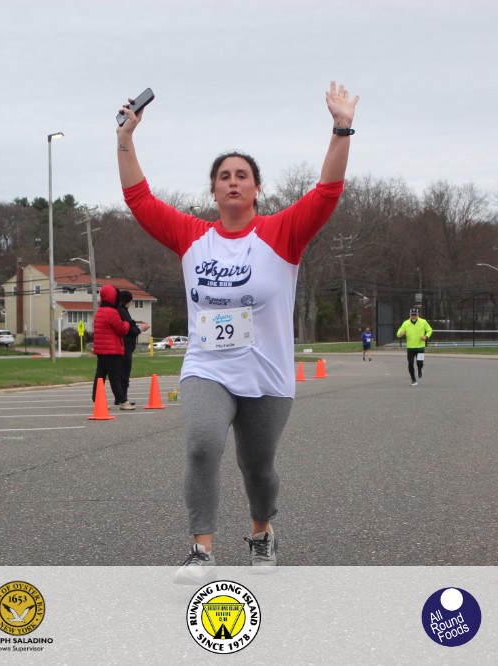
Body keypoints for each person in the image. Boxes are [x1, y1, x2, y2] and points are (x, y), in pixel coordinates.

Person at [117, 80, 358, 582]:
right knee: (202, 445)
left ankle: (262, 531)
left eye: (242, 176)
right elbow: (139, 200)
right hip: (208, 367)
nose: (232, 183)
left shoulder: (282, 233)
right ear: (212, 191)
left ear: (256, 189)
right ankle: (202, 550)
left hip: (267, 375)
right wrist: (125, 139)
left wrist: (341, 129)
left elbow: (327, 191)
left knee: (258, 466)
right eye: (223, 176)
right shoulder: (191, 237)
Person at [92, 284, 147, 410]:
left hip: (100, 349)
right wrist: (128, 323)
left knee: (100, 376)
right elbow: (121, 330)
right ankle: (122, 400)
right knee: (115, 377)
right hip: (112, 349)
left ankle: (97, 400)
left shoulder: (99, 311)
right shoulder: (112, 312)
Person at [116, 289, 145, 406]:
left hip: (122, 345)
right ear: (127, 301)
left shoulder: (119, 310)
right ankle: (122, 398)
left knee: (120, 373)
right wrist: (141, 329)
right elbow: (129, 330)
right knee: (124, 372)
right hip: (125, 345)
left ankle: (120, 397)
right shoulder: (122, 311)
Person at [396, 308, 432, 385]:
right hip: (410, 348)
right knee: (410, 364)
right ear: (409, 315)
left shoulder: (423, 322)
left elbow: (429, 330)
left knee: (420, 363)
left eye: (415, 314)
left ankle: (420, 370)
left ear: (418, 314)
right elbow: (398, 332)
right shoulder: (406, 323)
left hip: (420, 347)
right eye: (412, 314)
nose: (413, 316)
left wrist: (426, 336)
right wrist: (400, 334)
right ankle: (413, 379)